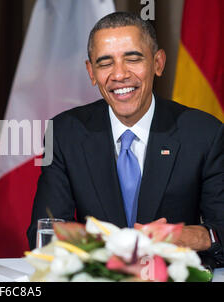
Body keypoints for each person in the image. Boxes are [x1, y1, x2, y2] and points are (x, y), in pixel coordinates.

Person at [27, 12, 223, 268]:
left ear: (158, 63)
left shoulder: (204, 133)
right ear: (91, 72)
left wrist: (190, 236)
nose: (119, 75)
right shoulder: (65, 133)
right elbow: (45, 233)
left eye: (133, 59)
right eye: (105, 63)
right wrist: (111, 247)